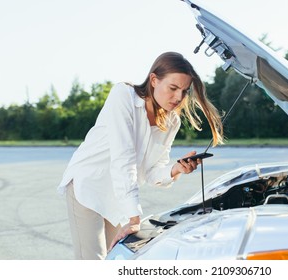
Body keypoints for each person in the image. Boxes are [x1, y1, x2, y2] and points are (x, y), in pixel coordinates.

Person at [57, 51, 224, 260]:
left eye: (184, 91)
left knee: (118, 259)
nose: (179, 98)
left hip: (118, 196)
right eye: (173, 88)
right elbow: (123, 158)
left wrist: (176, 169)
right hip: (88, 185)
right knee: (93, 261)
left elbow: (153, 171)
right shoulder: (123, 96)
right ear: (154, 80)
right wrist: (135, 217)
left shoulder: (172, 121)